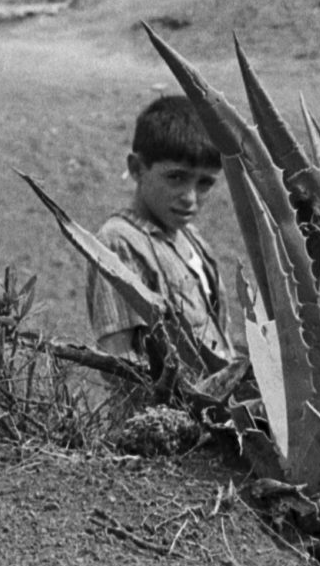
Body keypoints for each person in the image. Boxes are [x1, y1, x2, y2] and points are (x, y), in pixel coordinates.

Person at [87, 94, 232, 371]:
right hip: (168, 412)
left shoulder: (192, 239)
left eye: (204, 183)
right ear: (137, 169)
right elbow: (121, 367)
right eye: (176, 177)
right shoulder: (119, 243)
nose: (190, 198)